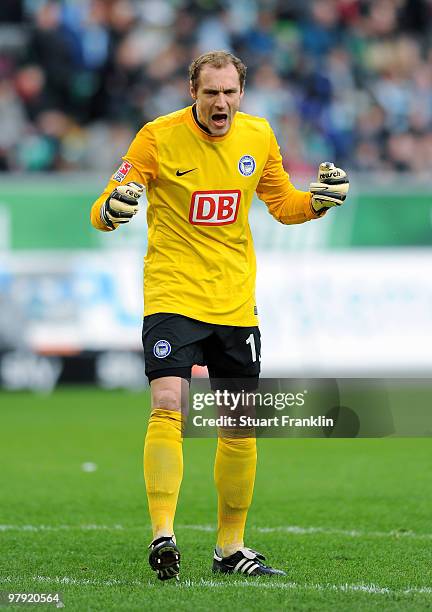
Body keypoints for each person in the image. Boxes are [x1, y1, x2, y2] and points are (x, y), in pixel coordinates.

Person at [90, 50, 349, 581]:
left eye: (230, 93)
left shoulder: (259, 137)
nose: (222, 103)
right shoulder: (157, 137)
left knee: (239, 428)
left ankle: (231, 549)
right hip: (173, 294)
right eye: (212, 92)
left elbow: (284, 205)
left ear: (241, 94)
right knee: (169, 405)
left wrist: (318, 201)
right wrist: (111, 211)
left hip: (234, 302)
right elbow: (108, 201)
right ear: (194, 92)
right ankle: (164, 534)